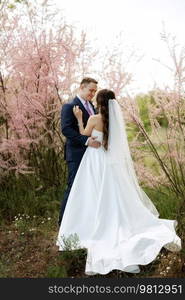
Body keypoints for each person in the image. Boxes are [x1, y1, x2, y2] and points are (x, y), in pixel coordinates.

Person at [56, 89, 181, 275]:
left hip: (94, 161)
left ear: (99, 102)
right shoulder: (115, 121)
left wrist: (79, 117)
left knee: (91, 192)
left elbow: (84, 134)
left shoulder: (94, 119)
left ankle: (93, 222)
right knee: (112, 194)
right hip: (110, 163)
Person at [58, 77, 101, 226]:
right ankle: (63, 224)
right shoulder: (69, 106)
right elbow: (66, 129)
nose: (93, 93)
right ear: (81, 87)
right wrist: (87, 141)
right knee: (73, 187)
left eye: (95, 91)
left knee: (89, 188)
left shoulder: (93, 107)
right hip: (76, 154)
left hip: (93, 156)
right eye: (91, 90)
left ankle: (82, 222)